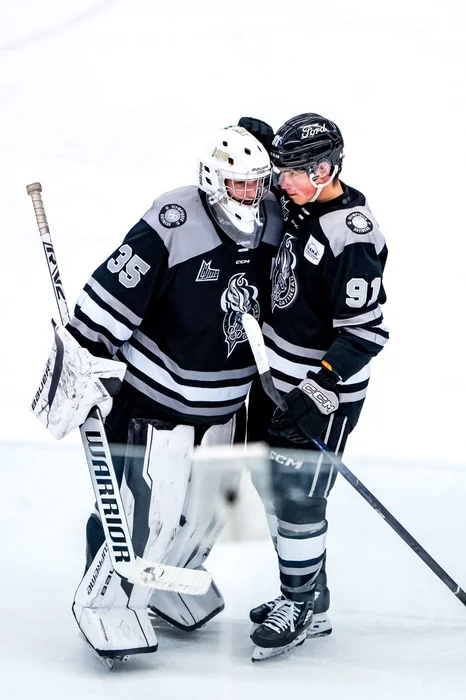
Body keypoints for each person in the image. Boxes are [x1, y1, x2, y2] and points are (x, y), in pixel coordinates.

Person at [45, 125, 282, 661]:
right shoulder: (174, 219)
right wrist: (84, 349)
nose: (252, 195)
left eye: (258, 183)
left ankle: (173, 582)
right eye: (240, 185)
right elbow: (114, 291)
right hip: (158, 401)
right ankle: (108, 598)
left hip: (226, 403)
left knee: (209, 514)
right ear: (213, 181)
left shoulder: (271, 221)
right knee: (150, 509)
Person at [238, 114, 389, 660]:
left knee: (299, 501)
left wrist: (314, 392)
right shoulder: (305, 201)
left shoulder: (352, 238)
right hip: (278, 377)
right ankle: (309, 592)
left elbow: (366, 335)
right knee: (270, 489)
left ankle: (299, 606)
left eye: (291, 173)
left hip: (322, 389)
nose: (280, 183)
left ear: (324, 170)